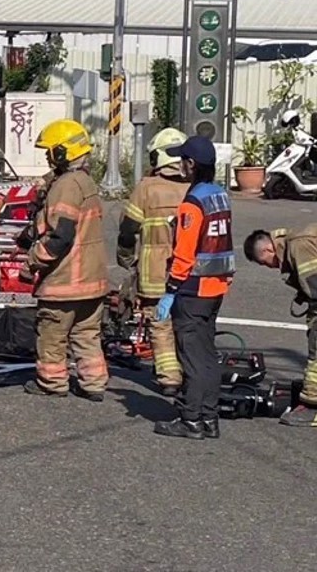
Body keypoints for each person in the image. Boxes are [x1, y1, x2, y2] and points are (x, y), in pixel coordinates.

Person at [22, 119, 109, 401]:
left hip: (65, 281)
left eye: (50, 152)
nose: (48, 158)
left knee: (52, 336)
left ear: (63, 153)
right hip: (92, 281)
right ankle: (94, 384)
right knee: (87, 335)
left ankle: (52, 382)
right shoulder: (86, 182)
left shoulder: (66, 185)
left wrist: (32, 262)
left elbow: (60, 236)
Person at [154, 135, 234, 440]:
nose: (179, 165)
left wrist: (171, 290)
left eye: (182, 160)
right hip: (216, 286)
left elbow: (185, 253)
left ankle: (190, 419)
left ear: (191, 164)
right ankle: (209, 418)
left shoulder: (192, 203)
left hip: (193, 289)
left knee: (192, 356)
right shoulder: (220, 195)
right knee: (208, 353)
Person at [116, 127, 190, 396]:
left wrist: (124, 257)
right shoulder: (197, 187)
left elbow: (128, 230)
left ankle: (169, 376)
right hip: (193, 272)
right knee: (189, 323)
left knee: (160, 323)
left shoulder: (147, 188)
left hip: (155, 271)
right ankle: (191, 372)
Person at [243, 225, 317, 426]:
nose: (272, 267)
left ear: (268, 250)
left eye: (266, 263)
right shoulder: (297, 240)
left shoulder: (299, 246)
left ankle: (311, 407)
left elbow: (315, 286)